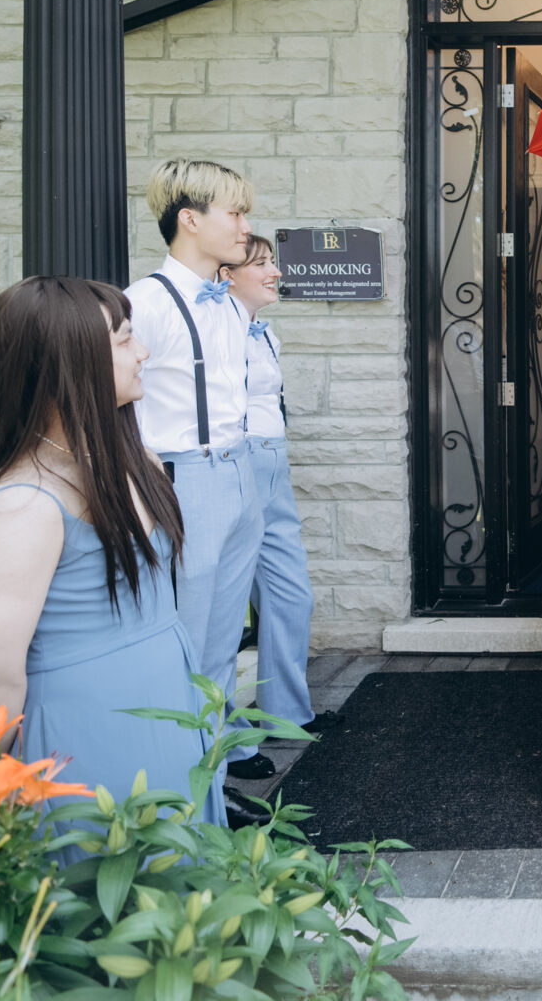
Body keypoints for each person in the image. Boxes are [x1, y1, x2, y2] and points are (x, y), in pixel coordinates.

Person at [0, 277, 224, 854]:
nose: (143, 352)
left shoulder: (134, 460)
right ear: (68, 364)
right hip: (83, 738)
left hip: (168, 712)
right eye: (124, 341)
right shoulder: (18, 506)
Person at [124, 159, 265, 784]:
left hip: (239, 471)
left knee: (225, 635)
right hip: (184, 479)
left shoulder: (230, 304)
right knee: (186, 634)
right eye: (235, 213)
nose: (245, 226)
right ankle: (181, 778)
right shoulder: (144, 301)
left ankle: (220, 759)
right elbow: (114, 399)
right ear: (190, 219)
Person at [220, 234, 341, 782]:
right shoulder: (214, 328)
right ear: (227, 275)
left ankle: (286, 713)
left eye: (273, 261)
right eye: (262, 263)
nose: (275, 272)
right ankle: (227, 743)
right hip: (237, 462)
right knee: (223, 614)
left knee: (291, 593)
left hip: (272, 461)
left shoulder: (263, 331)